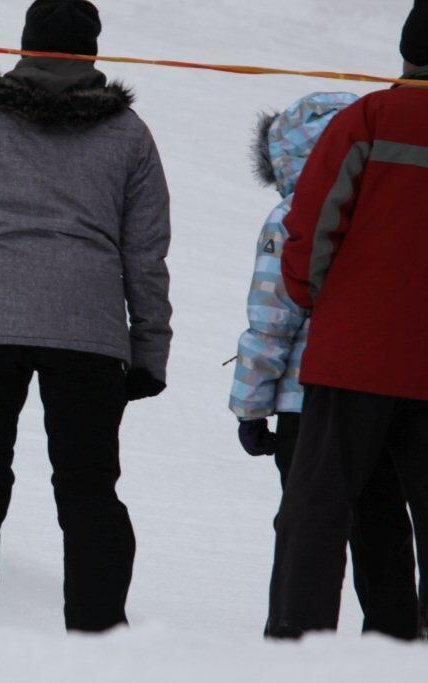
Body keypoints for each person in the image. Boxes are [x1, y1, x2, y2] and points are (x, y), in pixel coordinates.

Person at [0, 0, 172, 632]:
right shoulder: (128, 133)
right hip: (90, 332)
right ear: (93, 51)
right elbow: (146, 252)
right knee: (88, 491)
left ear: (25, 45)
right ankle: (98, 636)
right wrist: (149, 348)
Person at [266, 2, 428, 639]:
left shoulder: (367, 118)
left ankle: (296, 641)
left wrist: (310, 297)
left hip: (354, 352)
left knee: (318, 507)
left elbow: (311, 222)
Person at [230, 92, 419, 639]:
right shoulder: (386, 202)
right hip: (385, 386)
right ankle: (396, 640)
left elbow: (272, 316)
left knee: (307, 522)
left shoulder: (293, 215)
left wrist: (249, 404)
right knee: (380, 520)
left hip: (307, 399)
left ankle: (296, 642)